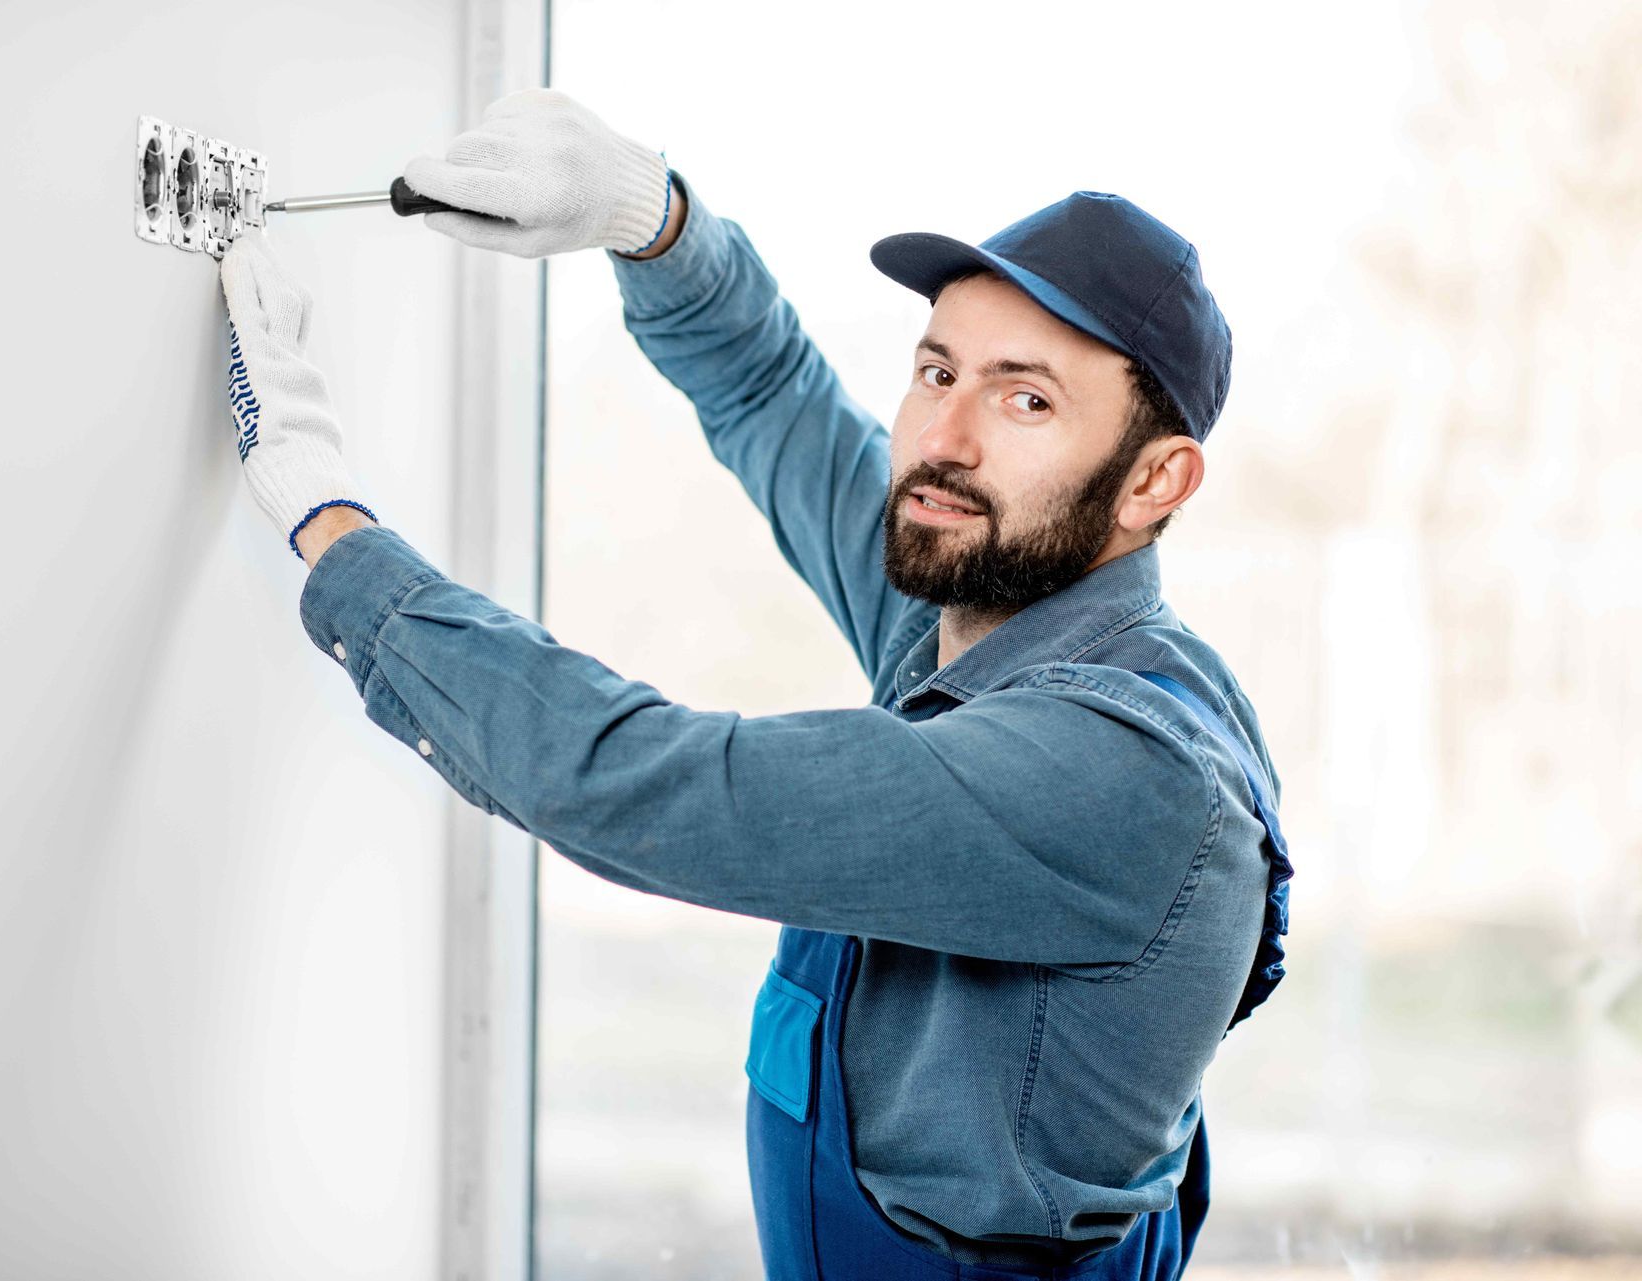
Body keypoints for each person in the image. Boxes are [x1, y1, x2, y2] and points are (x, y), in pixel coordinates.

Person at [218, 87, 1292, 1281]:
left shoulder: (1118, 776)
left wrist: (332, 531)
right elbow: (772, 395)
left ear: (1156, 483)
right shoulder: (973, 603)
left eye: (1025, 398)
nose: (947, 436)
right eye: (938, 372)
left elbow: (656, 785)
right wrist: (652, 218)